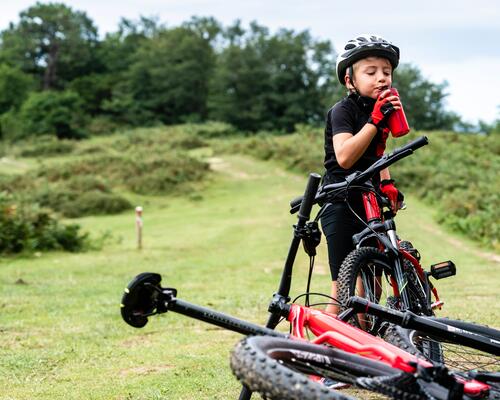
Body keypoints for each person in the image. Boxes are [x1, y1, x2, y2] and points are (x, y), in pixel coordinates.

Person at [321, 34, 404, 315]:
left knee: (372, 283)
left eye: (387, 72)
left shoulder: (380, 109)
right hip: (340, 198)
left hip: (370, 199)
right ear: (349, 80)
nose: (381, 78)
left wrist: (388, 183)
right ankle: (323, 352)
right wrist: (374, 121)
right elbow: (345, 157)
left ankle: (368, 340)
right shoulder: (342, 110)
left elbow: (377, 153)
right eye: (371, 72)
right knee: (342, 287)